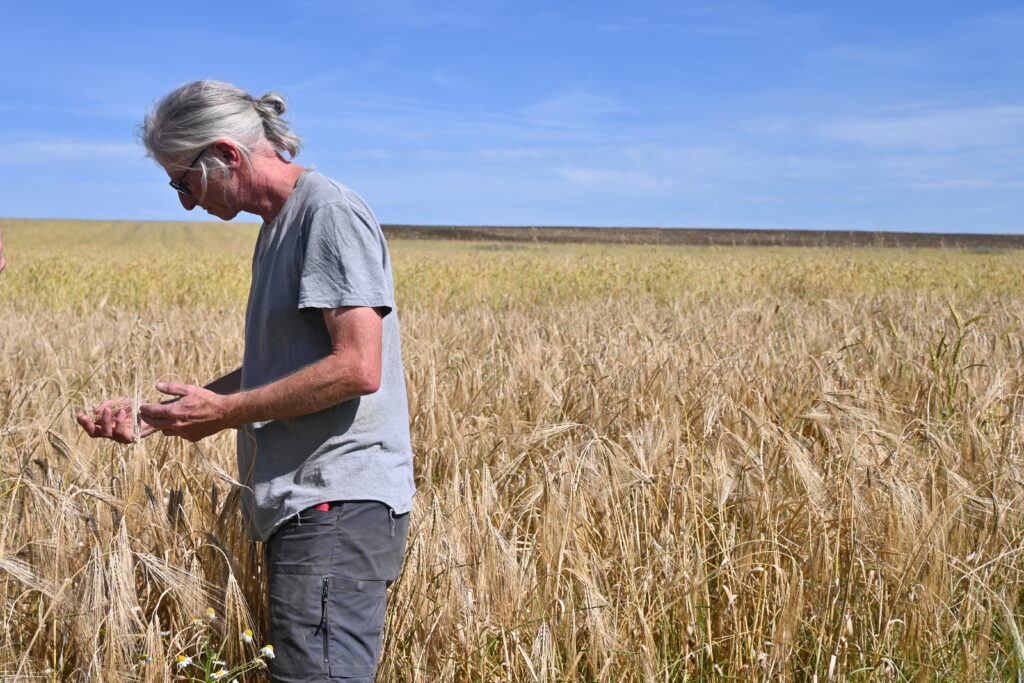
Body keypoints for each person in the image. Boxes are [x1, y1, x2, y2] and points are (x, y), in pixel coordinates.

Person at [75, 80, 415, 683]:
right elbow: (283, 365)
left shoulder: (327, 213)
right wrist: (158, 415)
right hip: (309, 506)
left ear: (228, 155)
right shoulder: (280, 224)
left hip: (335, 502)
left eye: (185, 181)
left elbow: (358, 366)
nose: (184, 201)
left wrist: (226, 412)